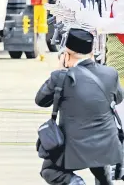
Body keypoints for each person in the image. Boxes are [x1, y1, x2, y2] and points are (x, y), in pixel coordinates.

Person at [36, 28, 123, 185]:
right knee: (100, 167)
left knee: (49, 170)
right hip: (107, 143)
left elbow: (40, 100)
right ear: (91, 53)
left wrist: (59, 70)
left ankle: (75, 182)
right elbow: (118, 98)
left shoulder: (61, 77)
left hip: (73, 146)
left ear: (67, 55)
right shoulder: (110, 74)